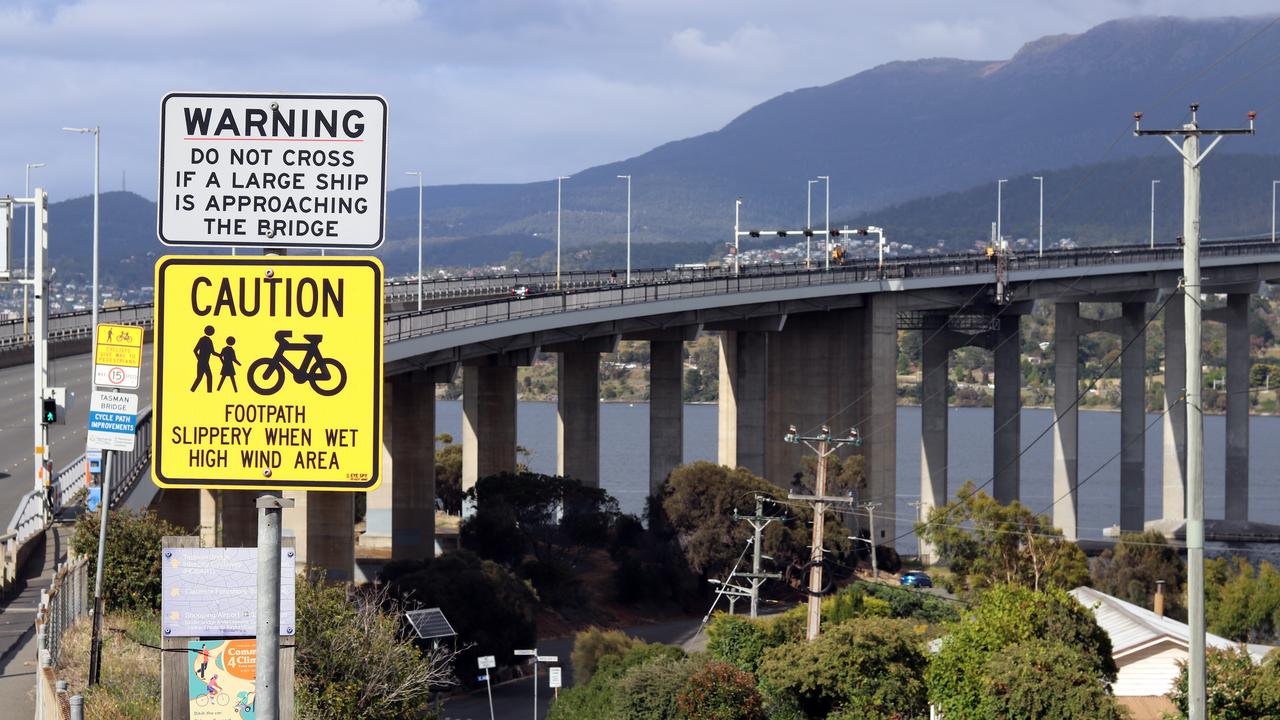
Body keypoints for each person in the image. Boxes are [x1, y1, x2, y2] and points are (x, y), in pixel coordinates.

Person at [191, 326, 217, 392]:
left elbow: (213, 352)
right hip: (202, 362)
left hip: (205, 362)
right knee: (201, 377)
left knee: (207, 376)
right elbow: (195, 350)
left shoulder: (209, 340)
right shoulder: (202, 339)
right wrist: (199, 359)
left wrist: (220, 355)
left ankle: (208, 391)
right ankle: (193, 390)